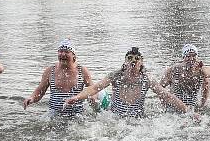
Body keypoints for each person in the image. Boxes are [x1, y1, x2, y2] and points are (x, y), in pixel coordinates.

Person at [64, 47, 194, 117]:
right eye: (130, 58)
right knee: (94, 97)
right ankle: (100, 104)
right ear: (125, 61)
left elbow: (167, 96)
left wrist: (188, 112)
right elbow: (95, 87)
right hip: (114, 115)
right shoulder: (116, 75)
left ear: (141, 62)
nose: (133, 61)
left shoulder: (147, 78)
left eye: (137, 59)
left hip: (137, 117)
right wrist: (76, 97)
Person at [23, 39, 98, 117]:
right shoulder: (50, 70)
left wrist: (92, 98)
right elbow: (40, 90)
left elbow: (93, 89)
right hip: (54, 116)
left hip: (77, 116)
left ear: (73, 55)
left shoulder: (82, 70)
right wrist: (31, 98)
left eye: (66, 52)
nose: (63, 54)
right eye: (60, 51)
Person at [159, 43, 210, 112]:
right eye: (188, 56)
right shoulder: (173, 70)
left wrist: (202, 105)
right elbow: (160, 88)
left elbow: (206, 87)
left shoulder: (201, 71)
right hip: (175, 108)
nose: (191, 59)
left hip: (192, 107)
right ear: (183, 57)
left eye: (194, 56)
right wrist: (164, 103)